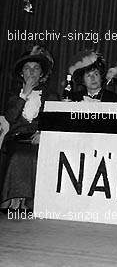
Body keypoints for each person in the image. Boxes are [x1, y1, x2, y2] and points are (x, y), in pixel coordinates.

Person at [0, 46, 58, 211]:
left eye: (36, 68)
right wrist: (24, 95)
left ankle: (29, 202)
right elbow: (10, 118)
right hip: (15, 139)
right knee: (17, 153)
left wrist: (43, 133)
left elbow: (54, 121)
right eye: (27, 68)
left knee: (33, 155)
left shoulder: (51, 95)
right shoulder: (13, 94)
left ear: (41, 74)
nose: (31, 72)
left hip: (37, 139)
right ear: (21, 73)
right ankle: (10, 200)